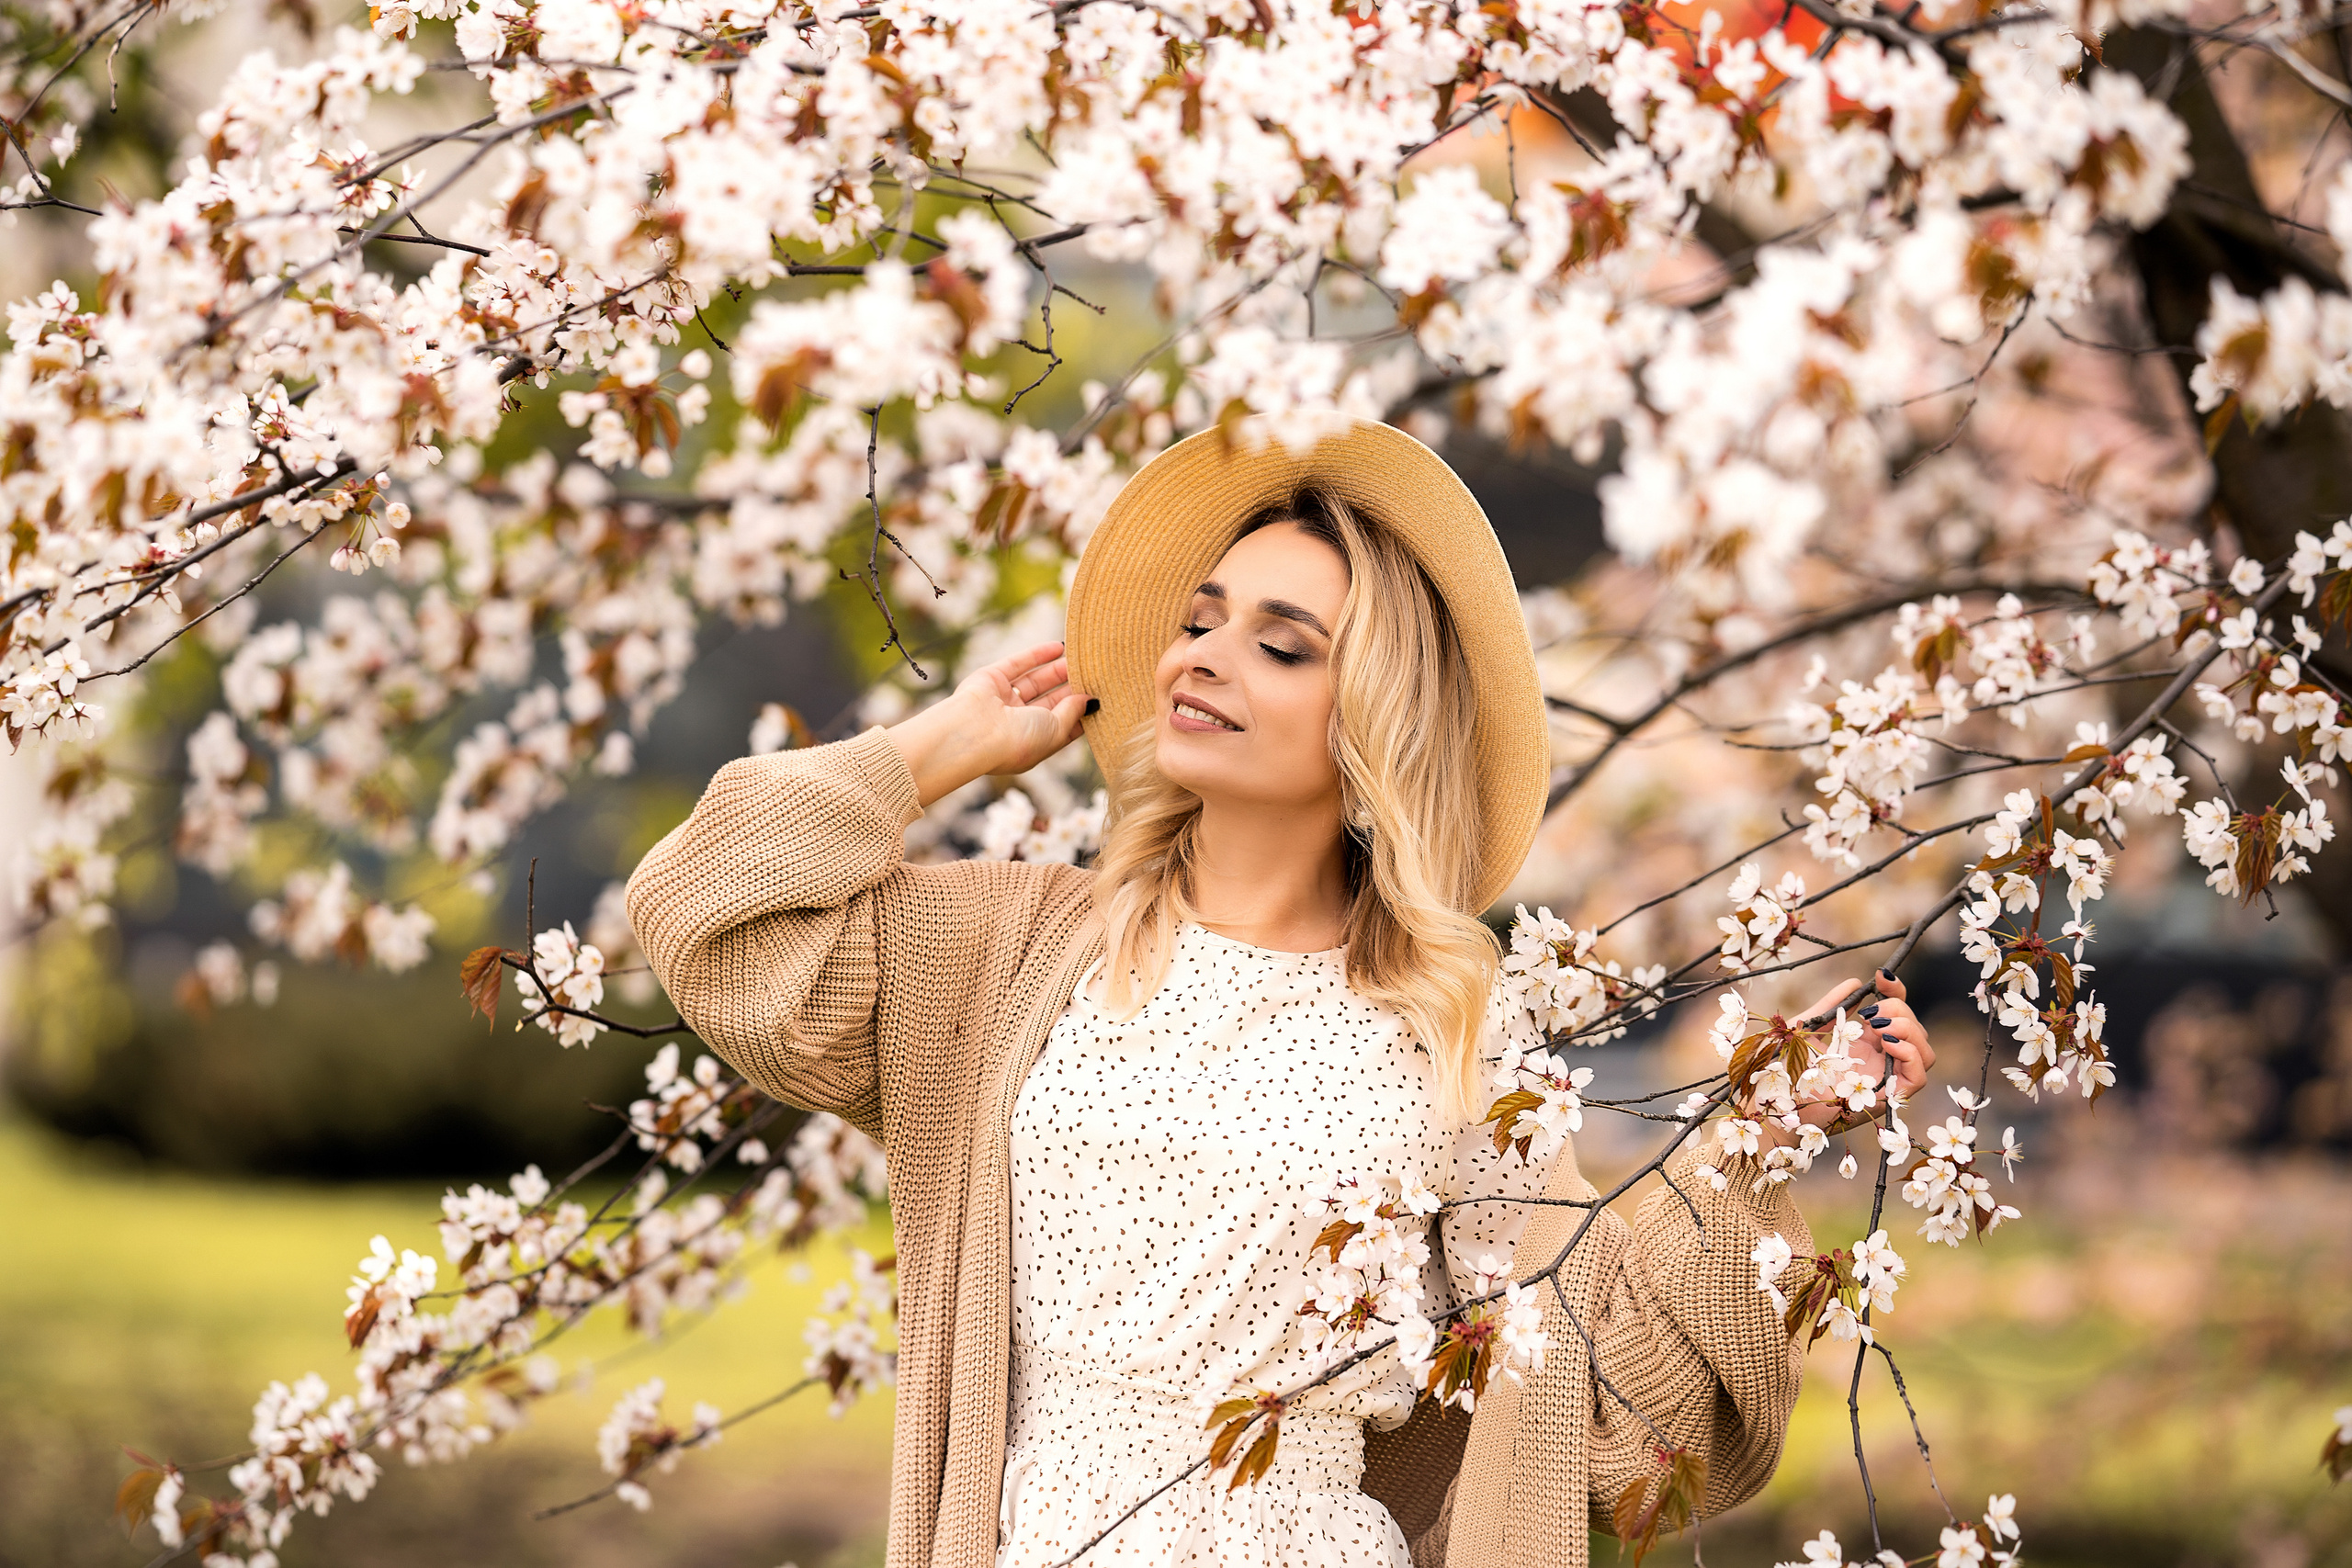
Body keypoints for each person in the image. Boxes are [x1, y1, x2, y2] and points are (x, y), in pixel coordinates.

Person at [625, 419, 1937, 1568]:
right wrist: (940, 747)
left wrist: (1768, 1127)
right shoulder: (1013, 952)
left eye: (1282, 644)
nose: (1205, 655)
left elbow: (1610, 1404)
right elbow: (708, 917)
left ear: (1371, 718)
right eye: (1199, 620)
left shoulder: (1454, 1033)